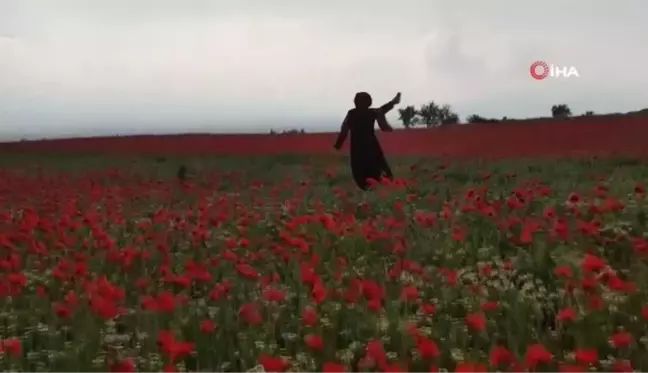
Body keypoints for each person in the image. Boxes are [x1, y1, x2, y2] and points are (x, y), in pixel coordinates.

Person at [333, 92, 400, 190]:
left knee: (361, 177)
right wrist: (393, 103)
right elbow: (381, 113)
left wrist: (338, 145)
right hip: (372, 148)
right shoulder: (372, 113)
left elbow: (344, 130)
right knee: (381, 174)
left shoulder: (351, 114)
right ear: (369, 102)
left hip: (357, 149)